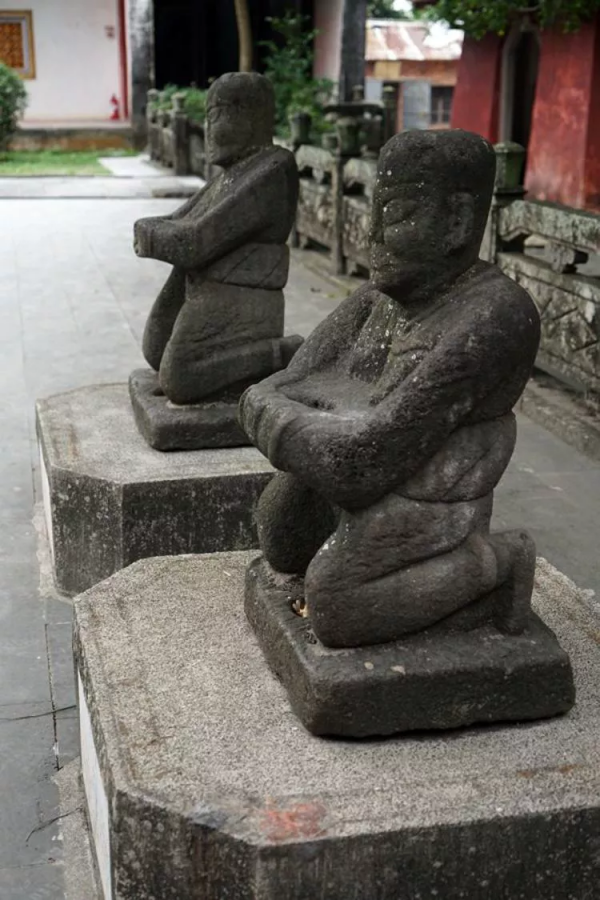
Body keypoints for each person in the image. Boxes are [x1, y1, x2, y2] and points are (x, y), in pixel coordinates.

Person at [240, 129, 541, 649]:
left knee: (337, 605)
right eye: (376, 212)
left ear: (457, 222)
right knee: (279, 533)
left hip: (434, 495)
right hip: (369, 465)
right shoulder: (377, 302)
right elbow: (271, 387)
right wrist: (346, 415)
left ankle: (498, 562)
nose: (372, 233)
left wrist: (319, 412)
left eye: (397, 216)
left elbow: (362, 462)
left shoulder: (496, 314)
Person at [133, 72, 300, 405]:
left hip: (241, 290)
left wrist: (151, 233)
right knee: (155, 349)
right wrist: (154, 229)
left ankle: (278, 354)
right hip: (202, 280)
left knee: (179, 379)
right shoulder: (227, 177)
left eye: (215, 116)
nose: (209, 130)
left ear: (249, 116)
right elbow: (178, 221)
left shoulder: (273, 169)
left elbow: (195, 242)